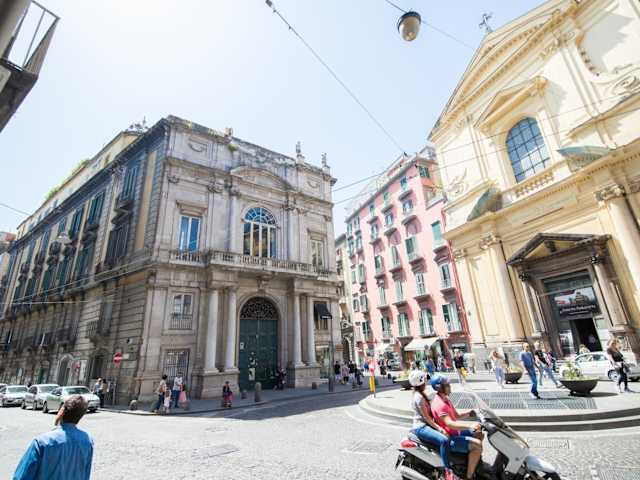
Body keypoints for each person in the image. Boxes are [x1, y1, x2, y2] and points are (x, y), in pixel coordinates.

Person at [13, 395, 94, 480]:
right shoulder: (87, 441)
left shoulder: (42, 442)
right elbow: (85, 474)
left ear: (62, 411)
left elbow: (22, 476)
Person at [430, 376, 483, 480]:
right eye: (447, 385)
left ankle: (472, 460)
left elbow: (456, 416)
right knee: (477, 445)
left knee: (478, 432)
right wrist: (470, 425)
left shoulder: (446, 399)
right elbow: (449, 423)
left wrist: (470, 413)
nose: (450, 386)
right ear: (440, 388)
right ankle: (469, 476)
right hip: (451, 438)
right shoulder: (439, 404)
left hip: (456, 432)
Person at [408, 370, 452, 475]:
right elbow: (427, 418)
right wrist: (440, 429)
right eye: (424, 380)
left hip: (425, 425)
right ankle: (447, 470)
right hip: (421, 427)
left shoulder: (421, 394)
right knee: (444, 440)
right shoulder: (419, 397)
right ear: (420, 381)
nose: (426, 382)